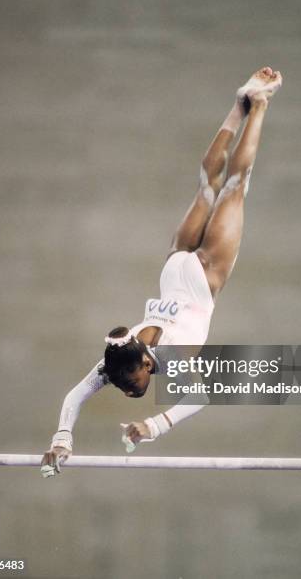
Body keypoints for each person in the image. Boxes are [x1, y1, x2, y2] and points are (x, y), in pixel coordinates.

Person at [41, 67, 282, 477]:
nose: (125, 388)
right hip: (174, 266)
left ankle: (257, 104)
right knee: (208, 184)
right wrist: (61, 437)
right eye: (121, 385)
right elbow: (75, 395)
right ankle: (238, 104)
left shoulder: (167, 356)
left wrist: (155, 424)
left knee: (232, 185)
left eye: (127, 382)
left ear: (147, 366)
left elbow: (201, 396)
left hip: (205, 269)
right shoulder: (121, 355)